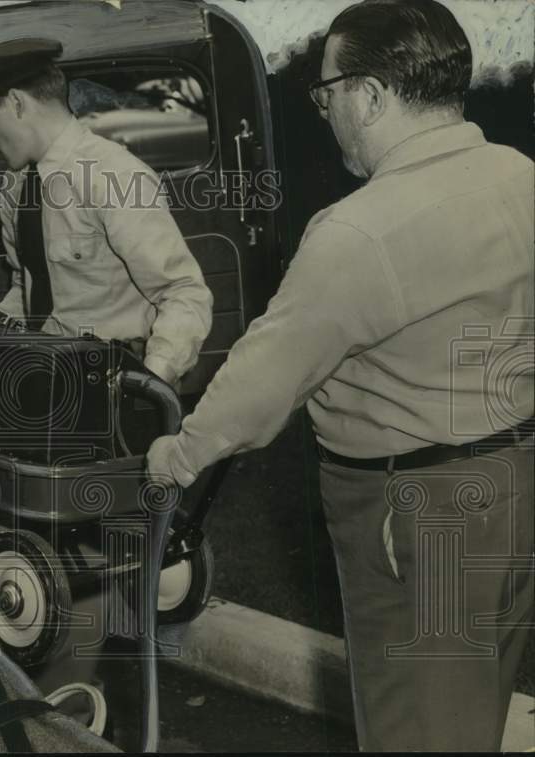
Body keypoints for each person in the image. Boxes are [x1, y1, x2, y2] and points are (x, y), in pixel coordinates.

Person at [148, 0, 533, 751]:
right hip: (515, 481)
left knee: (413, 729)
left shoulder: (358, 230)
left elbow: (262, 384)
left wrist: (177, 455)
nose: (324, 113)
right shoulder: (519, 176)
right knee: (473, 712)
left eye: (325, 94)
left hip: (419, 515)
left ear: (372, 95)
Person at [0, 40, 213, 386]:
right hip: (48, 378)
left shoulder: (113, 175)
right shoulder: (15, 187)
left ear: (16, 102)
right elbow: (28, 281)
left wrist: (151, 382)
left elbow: (182, 292)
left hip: (119, 383)